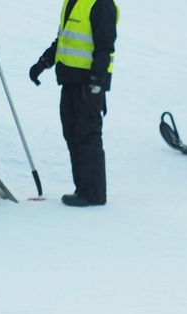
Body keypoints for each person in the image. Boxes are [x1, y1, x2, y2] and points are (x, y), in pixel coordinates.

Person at [28, 0, 118, 207]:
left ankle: (94, 194)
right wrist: (43, 63)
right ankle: (83, 189)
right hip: (70, 81)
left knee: (87, 136)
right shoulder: (73, 2)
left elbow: (105, 46)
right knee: (72, 134)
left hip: (88, 84)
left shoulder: (101, 4)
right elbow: (64, 40)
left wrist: (97, 83)